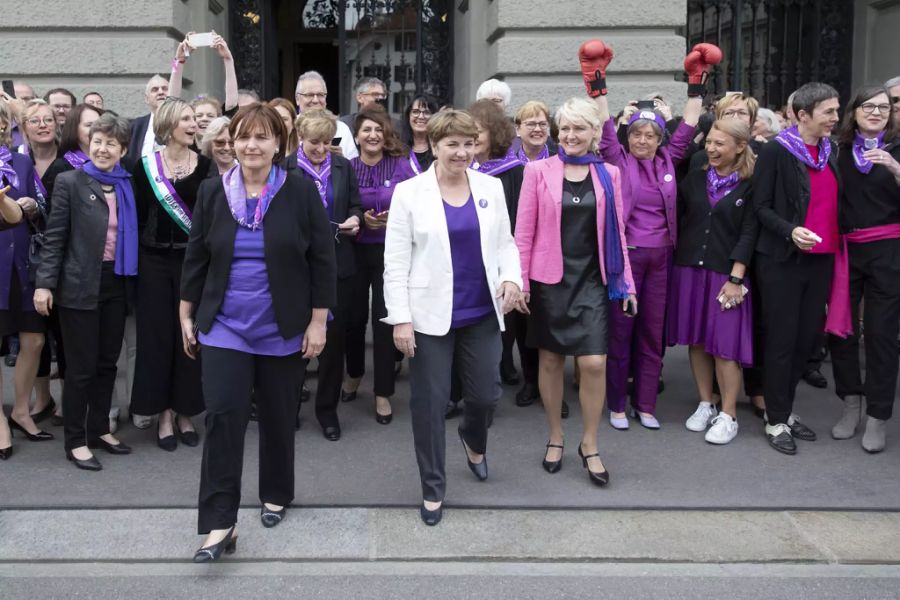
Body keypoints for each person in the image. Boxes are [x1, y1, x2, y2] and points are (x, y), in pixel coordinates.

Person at [179, 103, 335, 561]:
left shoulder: (301, 192)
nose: (250, 145)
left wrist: (318, 321)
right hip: (225, 326)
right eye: (243, 136)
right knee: (224, 417)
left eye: (262, 137)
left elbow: (322, 260)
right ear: (231, 142)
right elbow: (197, 257)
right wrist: (187, 314)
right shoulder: (213, 192)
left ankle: (276, 493)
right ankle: (220, 523)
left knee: (277, 415)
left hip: (282, 327)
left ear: (278, 144)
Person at [383, 108, 522, 525]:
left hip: (481, 310)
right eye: (452, 144)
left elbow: (505, 244)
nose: (462, 153)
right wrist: (401, 319)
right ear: (436, 146)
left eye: (469, 143)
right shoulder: (409, 192)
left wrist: (512, 278)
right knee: (429, 404)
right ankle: (432, 487)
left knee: (485, 396)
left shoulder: (490, 187)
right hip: (428, 317)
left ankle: (472, 436)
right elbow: (395, 261)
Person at [581, 39, 714, 429]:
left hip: (663, 258)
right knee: (621, 332)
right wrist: (596, 82)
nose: (643, 140)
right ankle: (618, 405)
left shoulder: (669, 160)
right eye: (637, 134)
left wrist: (696, 84)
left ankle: (647, 405)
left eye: (650, 135)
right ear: (628, 137)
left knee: (653, 332)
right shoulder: (616, 159)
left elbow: (688, 126)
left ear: (659, 139)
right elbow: (605, 126)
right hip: (627, 257)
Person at [515, 95, 635, 484]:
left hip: (594, 281)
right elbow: (524, 233)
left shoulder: (609, 174)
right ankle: (555, 436)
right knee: (550, 362)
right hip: (550, 280)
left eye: (578, 128)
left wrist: (626, 282)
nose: (569, 135)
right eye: (564, 128)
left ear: (594, 133)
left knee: (593, 363)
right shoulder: (538, 171)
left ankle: (590, 442)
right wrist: (520, 282)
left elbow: (618, 232)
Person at [34, 113, 138, 470]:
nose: (103, 148)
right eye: (98, 141)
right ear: (88, 142)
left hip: (117, 282)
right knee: (80, 369)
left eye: (111, 143)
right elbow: (55, 237)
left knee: (107, 365)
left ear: (123, 149)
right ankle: (75, 440)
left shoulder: (127, 183)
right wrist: (45, 284)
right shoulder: (69, 182)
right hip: (78, 285)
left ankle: (99, 430)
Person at [753, 82, 841, 455]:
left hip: (822, 260)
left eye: (837, 111)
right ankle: (775, 419)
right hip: (783, 261)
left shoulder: (830, 150)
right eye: (829, 112)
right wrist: (790, 231)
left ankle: (785, 412)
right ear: (803, 115)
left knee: (806, 342)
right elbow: (760, 206)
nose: (836, 119)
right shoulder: (777, 150)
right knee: (782, 341)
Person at [670, 119, 758, 444]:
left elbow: (750, 232)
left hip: (726, 275)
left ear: (739, 147)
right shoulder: (694, 179)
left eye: (720, 144)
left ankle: (729, 414)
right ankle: (706, 402)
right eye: (709, 142)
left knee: (724, 347)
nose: (711, 148)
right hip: (690, 270)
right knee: (696, 341)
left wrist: (737, 278)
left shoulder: (750, 184)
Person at [130, 97, 209, 452]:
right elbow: (135, 220)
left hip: (192, 264)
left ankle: (186, 412)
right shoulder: (144, 167)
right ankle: (162, 414)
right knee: (157, 338)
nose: (193, 124)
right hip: (153, 263)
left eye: (195, 118)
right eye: (186, 119)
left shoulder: (206, 167)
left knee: (190, 337)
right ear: (167, 126)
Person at [827, 85, 900, 453]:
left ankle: (878, 416)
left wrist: (895, 168)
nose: (876, 112)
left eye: (884, 107)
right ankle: (850, 404)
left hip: (888, 251)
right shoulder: (836, 151)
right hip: (845, 251)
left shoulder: (897, 150)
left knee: (882, 334)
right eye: (868, 106)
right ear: (854, 111)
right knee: (841, 332)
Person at [343, 105, 415, 424]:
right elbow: (341, 204)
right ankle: (355, 373)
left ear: (386, 135)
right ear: (356, 136)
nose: (373, 135)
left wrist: (392, 221)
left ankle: (383, 392)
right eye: (366, 130)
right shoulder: (345, 167)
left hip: (391, 253)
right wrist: (359, 219)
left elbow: (417, 203)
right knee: (354, 318)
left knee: (386, 320)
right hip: (355, 252)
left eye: (378, 130)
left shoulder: (401, 166)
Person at [294, 109, 362, 440]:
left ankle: (327, 411)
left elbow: (354, 204)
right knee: (292, 341)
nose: (321, 149)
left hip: (338, 263)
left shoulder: (343, 166)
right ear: (300, 139)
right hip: (297, 267)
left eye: (326, 142)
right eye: (314, 143)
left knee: (332, 347)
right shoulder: (285, 169)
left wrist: (355, 219)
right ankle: (289, 405)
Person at [468, 100, 535, 401]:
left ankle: (532, 382)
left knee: (521, 320)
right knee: (491, 323)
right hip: (477, 259)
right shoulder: (465, 169)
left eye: (478, 130)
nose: (473, 136)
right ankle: (498, 373)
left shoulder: (515, 172)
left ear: (494, 132)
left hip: (510, 254)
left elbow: (523, 220)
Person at [0, 101, 54, 448]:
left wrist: (33, 205)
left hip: (23, 263)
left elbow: (40, 202)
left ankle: (21, 410)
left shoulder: (20, 160)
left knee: (34, 339)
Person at [0, 185, 27, 460]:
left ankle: (14, 415)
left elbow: (14, 217)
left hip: (13, 262)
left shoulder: (15, 163)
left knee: (33, 339)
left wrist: (3, 200)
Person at [168, 31, 238, 120]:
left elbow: (231, 105)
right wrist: (178, 60)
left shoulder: (223, 130)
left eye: (210, 116)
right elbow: (170, 103)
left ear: (219, 118)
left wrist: (228, 60)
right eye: (198, 115)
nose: (204, 119)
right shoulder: (182, 133)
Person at [295, 71, 358, 159]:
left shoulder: (341, 128)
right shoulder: (289, 127)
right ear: (297, 99)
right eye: (309, 95)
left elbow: (353, 167)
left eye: (320, 95)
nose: (315, 100)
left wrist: (342, 160)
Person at [123, 75, 169, 172]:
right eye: (155, 90)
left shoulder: (181, 123)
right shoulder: (135, 127)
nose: (161, 92)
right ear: (146, 99)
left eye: (165, 89)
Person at [403, 94, 438, 174]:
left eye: (427, 112)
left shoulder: (440, 147)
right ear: (408, 115)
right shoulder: (397, 148)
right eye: (415, 112)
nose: (421, 116)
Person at [267, 98, 300, 165]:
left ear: (293, 123)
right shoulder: (260, 154)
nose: (279, 123)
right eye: (275, 118)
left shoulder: (303, 156)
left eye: (284, 119)